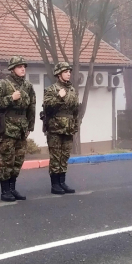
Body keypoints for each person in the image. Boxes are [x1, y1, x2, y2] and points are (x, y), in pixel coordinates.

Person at [0, 56, 36, 202]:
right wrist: (11, 98)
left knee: (18, 160)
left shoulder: (28, 86)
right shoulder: (4, 84)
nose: (23, 69)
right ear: (12, 69)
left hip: (21, 127)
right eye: (19, 66)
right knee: (7, 160)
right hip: (7, 127)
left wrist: (30, 125)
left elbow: (32, 107)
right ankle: (5, 191)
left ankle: (12, 188)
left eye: (24, 66)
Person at [42, 62, 79, 195]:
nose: (68, 73)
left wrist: (75, 125)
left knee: (64, 156)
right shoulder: (52, 89)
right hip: (55, 128)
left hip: (68, 128)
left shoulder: (73, 90)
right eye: (65, 71)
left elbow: (75, 110)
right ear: (58, 74)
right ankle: (55, 184)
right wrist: (59, 97)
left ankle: (62, 182)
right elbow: (47, 106)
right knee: (56, 156)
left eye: (69, 71)